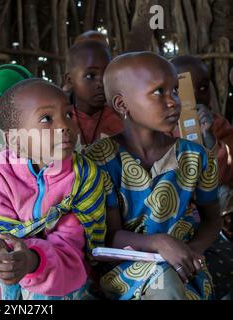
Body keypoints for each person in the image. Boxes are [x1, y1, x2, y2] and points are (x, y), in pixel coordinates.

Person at [86, 52, 221, 300]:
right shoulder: (98, 161)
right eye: (159, 92)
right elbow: (110, 234)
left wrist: (190, 252)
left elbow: (212, 219)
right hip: (127, 268)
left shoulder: (197, 157)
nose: (174, 102)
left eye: (175, 91)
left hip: (186, 264)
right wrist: (159, 243)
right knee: (165, 284)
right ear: (122, 104)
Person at [0, 79, 118, 300]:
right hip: (8, 268)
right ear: (15, 140)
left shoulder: (84, 176)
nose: (64, 125)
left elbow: (71, 247)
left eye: (68, 114)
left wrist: (32, 259)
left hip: (64, 269)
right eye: (47, 119)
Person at [171, 55, 233, 300]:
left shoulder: (218, 125)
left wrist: (208, 139)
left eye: (204, 87)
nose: (195, 95)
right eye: (182, 89)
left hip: (215, 208)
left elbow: (225, 171)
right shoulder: (160, 131)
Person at [64, 40, 123, 150]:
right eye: (90, 76)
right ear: (70, 80)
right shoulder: (61, 121)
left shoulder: (120, 119)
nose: (101, 84)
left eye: (106, 74)